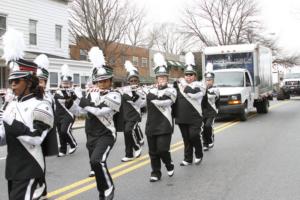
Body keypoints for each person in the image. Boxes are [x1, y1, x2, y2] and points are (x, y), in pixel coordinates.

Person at [0, 28, 54, 200]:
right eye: (11, 82)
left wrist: (8, 121)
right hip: (13, 169)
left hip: (30, 165)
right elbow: (3, 137)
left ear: (29, 82)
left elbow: (36, 138)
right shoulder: (11, 105)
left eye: (17, 81)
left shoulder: (42, 105)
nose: (13, 86)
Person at [73, 47, 121, 200]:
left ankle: (109, 188)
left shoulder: (115, 95)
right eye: (99, 81)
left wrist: (83, 100)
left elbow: (99, 111)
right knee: (95, 165)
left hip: (106, 134)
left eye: (105, 80)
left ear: (110, 81)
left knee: (97, 160)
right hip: (91, 134)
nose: (102, 84)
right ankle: (103, 193)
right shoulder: (91, 94)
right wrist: (72, 100)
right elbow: (81, 113)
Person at [144, 53, 177, 182]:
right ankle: (156, 172)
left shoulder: (172, 90)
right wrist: (132, 93)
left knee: (163, 149)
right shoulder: (149, 90)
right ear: (156, 78)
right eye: (160, 77)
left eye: (164, 77)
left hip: (165, 124)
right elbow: (138, 103)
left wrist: (149, 94)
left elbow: (163, 102)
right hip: (151, 125)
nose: (162, 79)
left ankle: (169, 164)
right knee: (153, 152)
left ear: (167, 78)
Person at [173, 52, 205, 166]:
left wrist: (183, 84)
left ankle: (199, 153)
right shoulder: (178, 85)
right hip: (182, 116)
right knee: (186, 138)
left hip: (195, 116)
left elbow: (194, 94)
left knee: (194, 135)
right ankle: (187, 158)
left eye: (191, 75)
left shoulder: (200, 85)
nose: (188, 77)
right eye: (187, 75)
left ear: (195, 76)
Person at [119, 60, 146, 162]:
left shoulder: (141, 91)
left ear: (138, 81)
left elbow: (142, 103)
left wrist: (134, 94)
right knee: (127, 135)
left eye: (135, 81)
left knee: (129, 131)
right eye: (131, 81)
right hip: (125, 116)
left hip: (134, 116)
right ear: (128, 82)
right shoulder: (124, 90)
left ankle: (137, 146)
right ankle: (129, 154)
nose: (133, 82)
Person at [54, 64, 78, 157]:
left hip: (69, 115)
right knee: (60, 134)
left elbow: (75, 101)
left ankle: (73, 144)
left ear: (70, 83)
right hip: (58, 116)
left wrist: (73, 93)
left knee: (65, 131)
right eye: (64, 83)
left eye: (67, 83)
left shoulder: (72, 92)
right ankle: (63, 150)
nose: (65, 85)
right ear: (61, 83)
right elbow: (62, 98)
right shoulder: (57, 92)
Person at [202, 71, 220, 151]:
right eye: (207, 80)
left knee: (208, 126)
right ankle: (205, 143)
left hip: (211, 111)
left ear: (213, 81)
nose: (208, 82)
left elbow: (209, 96)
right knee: (203, 128)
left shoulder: (215, 89)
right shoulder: (202, 88)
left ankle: (210, 140)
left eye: (210, 80)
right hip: (202, 111)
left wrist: (202, 91)